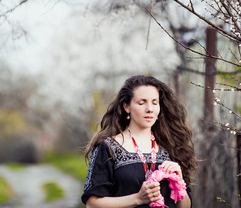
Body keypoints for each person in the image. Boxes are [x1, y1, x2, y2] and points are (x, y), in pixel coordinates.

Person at [81, 75, 196, 208]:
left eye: (154, 102)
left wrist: (179, 182)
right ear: (127, 107)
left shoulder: (170, 146)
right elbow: (92, 204)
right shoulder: (109, 147)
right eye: (142, 103)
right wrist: (137, 199)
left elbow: (186, 206)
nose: (150, 109)